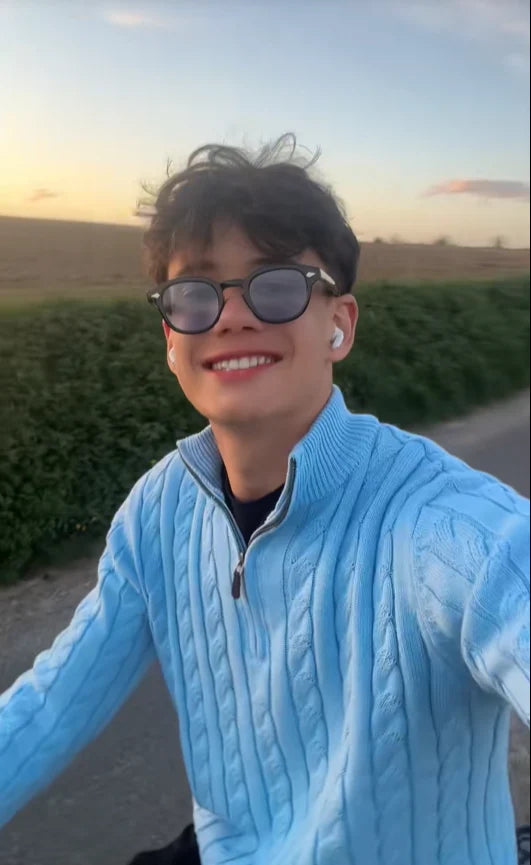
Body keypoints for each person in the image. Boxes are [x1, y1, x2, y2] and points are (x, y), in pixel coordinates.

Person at [0, 134, 529, 865]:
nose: (230, 316)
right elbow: (52, 703)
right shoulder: (158, 511)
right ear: (170, 339)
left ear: (339, 323)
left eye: (275, 285)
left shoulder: (441, 523)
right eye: (195, 293)